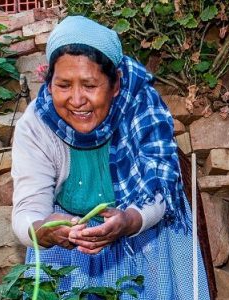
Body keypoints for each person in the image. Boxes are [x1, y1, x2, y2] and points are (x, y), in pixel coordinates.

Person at [11, 15, 211, 299]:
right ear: (49, 80)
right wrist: (43, 231)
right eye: (63, 85)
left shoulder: (142, 113)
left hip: (145, 236)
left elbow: (157, 194)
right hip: (69, 248)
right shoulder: (35, 125)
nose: (77, 99)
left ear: (115, 84)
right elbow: (28, 208)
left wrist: (129, 221)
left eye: (90, 86)